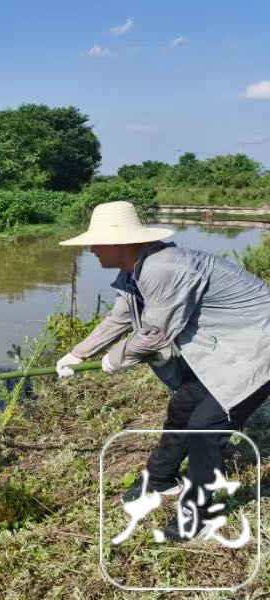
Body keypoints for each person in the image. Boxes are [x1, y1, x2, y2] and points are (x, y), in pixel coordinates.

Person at [55, 201, 270, 540]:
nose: (91, 249)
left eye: (95, 242)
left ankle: (197, 515)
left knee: (206, 425)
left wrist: (115, 359)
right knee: (185, 404)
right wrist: (78, 354)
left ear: (119, 242)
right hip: (227, 345)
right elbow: (121, 318)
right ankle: (159, 479)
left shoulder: (163, 268)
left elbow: (155, 334)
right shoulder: (134, 271)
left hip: (259, 348)